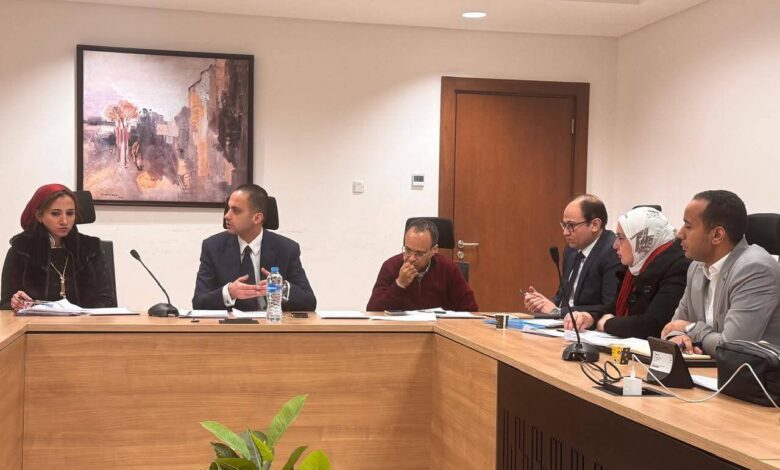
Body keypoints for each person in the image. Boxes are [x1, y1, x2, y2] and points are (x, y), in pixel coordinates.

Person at [661, 190, 780, 356]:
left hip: (754, 372)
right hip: (707, 369)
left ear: (717, 235)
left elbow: (732, 347)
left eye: (688, 226)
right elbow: (673, 327)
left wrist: (691, 329)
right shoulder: (696, 267)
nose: (680, 234)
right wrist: (678, 338)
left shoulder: (755, 269)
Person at [563, 206, 691, 338]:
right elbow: (613, 307)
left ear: (642, 239)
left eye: (621, 238)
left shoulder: (677, 267)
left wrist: (608, 324)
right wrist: (589, 317)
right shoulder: (637, 264)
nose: (615, 245)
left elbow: (653, 324)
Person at [192, 184, 316, 311]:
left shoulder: (286, 249)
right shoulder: (213, 247)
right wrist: (229, 292)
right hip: (231, 323)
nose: (227, 216)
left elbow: (309, 302)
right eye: (228, 209)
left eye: (236, 210)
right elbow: (198, 302)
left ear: (257, 218)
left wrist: (282, 289)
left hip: (272, 322)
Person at [1, 184, 114, 310]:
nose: (64, 221)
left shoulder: (91, 248)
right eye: (55, 214)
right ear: (39, 216)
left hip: (84, 321)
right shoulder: (21, 250)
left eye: (70, 213)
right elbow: (6, 303)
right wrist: (15, 303)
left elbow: (107, 300)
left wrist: (85, 316)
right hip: (36, 322)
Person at [524, 194, 621, 318]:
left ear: (595, 225)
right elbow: (563, 296)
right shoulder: (571, 250)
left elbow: (609, 307)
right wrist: (541, 304)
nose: (565, 232)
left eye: (571, 226)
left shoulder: (613, 251)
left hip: (588, 327)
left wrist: (557, 312)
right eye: (564, 225)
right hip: (563, 323)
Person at [367, 218, 478, 312]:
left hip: (439, 329)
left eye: (419, 254)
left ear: (434, 250)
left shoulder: (449, 268)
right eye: (408, 250)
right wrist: (399, 284)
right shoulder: (391, 266)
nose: (411, 258)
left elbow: (471, 310)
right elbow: (373, 311)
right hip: (402, 329)